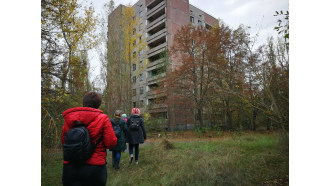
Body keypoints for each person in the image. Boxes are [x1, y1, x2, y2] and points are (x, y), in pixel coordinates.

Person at [61, 92, 117, 186]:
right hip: (95, 167)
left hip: (71, 166)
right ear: (98, 105)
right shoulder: (103, 118)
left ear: (84, 104)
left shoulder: (70, 118)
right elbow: (110, 143)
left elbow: (64, 141)